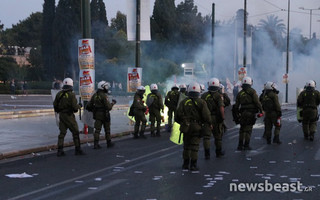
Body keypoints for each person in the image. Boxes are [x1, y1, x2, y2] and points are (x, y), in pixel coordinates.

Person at [175, 82, 211, 171]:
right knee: (194, 146)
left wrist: (184, 123)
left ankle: (185, 164)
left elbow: (177, 116)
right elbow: (206, 116)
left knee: (186, 146)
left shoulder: (184, 102)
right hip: (197, 126)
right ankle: (193, 164)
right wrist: (207, 124)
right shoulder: (202, 102)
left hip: (186, 127)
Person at [53, 78, 85, 156]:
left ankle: (60, 150)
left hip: (61, 115)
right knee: (75, 132)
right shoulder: (71, 94)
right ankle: (78, 149)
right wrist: (79, 106)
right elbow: (74, 108)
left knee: (62, 133)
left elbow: (55, 105)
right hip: (69, 116)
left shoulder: (59, 94)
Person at [232, 76, 263, 151]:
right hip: (251, 113)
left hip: (243, 113)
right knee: (248, 130)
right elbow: (257, 102)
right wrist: (261, 110)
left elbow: (236, 106)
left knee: (242, 129)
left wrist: (236, 114)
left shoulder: (240, 93)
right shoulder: (252, 92)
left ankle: (240, 145)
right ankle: (246, 145)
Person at [87, 81, 116, 149]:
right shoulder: (104, 95)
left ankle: (96, 144)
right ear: (102, 87)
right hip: (104, 115)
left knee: (97, 130)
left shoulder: (95, 95)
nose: (107, 88)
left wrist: (94, 110)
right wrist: (113, 103)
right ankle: (109, 143)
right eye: (106, 86)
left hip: (97, 115)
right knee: (107, 130)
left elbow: (89, 106)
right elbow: (108, 107)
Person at [201, 78, 225, 159]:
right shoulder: (219, 96)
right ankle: (218, 152)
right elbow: (221, 107)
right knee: (218, 136)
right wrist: (222, 118)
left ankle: (207, 154)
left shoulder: (204, 95)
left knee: (206, 137)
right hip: (216, 118)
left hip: (206, 118)